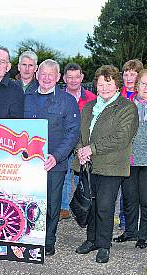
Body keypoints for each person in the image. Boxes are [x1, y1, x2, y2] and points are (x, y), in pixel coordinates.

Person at [73, 65, 139, 264]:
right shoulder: (88, 107)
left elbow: (121, 137)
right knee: (91, 204)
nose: (104, 88)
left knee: (104, 206)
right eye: (100, 84)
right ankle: (91, 239)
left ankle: (103, 245)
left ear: (117, 85)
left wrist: (91, 148)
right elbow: (79, 134)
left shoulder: (127, 108)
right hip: (89, 164)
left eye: (108, 83)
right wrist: (80, 150)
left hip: (112, 166)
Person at [22, 59, 80, 256]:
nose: (46, 78)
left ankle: (48, 240)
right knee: (30, 200)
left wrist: (56, 156)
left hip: (54, 163)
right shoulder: (27, 98)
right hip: (29, 163)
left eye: (51, 75)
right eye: (43, 74)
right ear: (37, 75)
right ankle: (30, 236)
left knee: (52, 204)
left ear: (57, 78)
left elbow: (72, 133)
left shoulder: (67, 101)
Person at [115, 68, 147, 249]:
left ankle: (144, 236)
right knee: (129, 198)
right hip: (130, 160)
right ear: (137, 85)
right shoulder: (126, 105)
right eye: (144, 83)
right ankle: (130, 232)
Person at [60, 62, 97, 220]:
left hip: (83, 144)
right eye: (70, 77)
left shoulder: (92, 99)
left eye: (76, 77)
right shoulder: (59, 96)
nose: (73, 80)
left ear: (82, 77)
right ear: (64, 78)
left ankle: (84, 207)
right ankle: (63, 209)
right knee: (64, 177)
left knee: (82, 177)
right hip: (64, 143)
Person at [117, 59, 144, 229]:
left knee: (137, 190)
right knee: (123, 190)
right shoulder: (116, 95)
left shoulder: (145, 96)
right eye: (125, 73)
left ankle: (132, 221)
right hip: (120, 150)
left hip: (140, 151)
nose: (128, 77)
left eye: (132, 74)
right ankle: (124, 219)